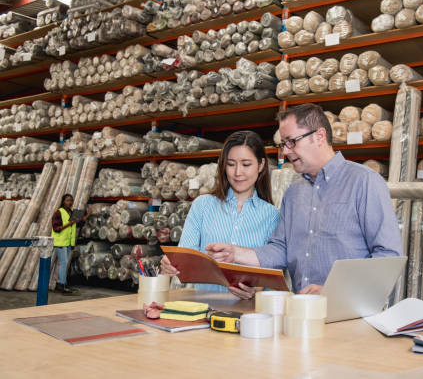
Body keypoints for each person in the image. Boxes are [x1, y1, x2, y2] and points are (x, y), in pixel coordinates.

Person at [206, 103, 402, 298]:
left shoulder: (364, 182)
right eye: (283, 144)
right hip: (303, 309)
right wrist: (235, 253)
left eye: (291, 141)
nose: (286, 152)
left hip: (350, 312)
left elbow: (388, 255)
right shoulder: (294, 192)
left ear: (319, 136)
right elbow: (280, 249)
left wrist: (334, 292)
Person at [161, 131, 279, 298]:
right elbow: (185, 255)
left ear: (260, 165)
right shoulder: (202, 205)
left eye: (246, 164)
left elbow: (272, 270)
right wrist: (170, 264)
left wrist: (256, 290)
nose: (238, 172)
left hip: (248, 312)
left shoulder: (272, 215)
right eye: (231, 164)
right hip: (201, 307)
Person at [51, 193, 91, 294]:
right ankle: (61, 285)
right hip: (60, 242)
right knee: (63, 263)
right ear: (63, 201)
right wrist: (69, 223)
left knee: (65, 263)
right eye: (68, 200)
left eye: (71, 200)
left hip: (68, 242)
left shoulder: (71, 213)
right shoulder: (58, 213)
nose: (70, 202)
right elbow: (56, 228)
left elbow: (78, 224)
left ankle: (63, 283)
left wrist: (87, 215)